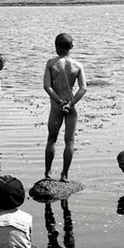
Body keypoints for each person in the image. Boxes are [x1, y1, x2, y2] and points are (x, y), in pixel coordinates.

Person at [43, 33, 87, 182]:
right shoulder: (77, 66)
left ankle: (48, 173)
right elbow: (83, 88)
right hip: (71, 107)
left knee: (51, 139)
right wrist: (70, 103)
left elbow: (47, 86)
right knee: (69, 141)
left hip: (56, 107)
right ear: (72, 47)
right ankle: (64, 174)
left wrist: (59, 102)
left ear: (56, 47)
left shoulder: (51, 63)